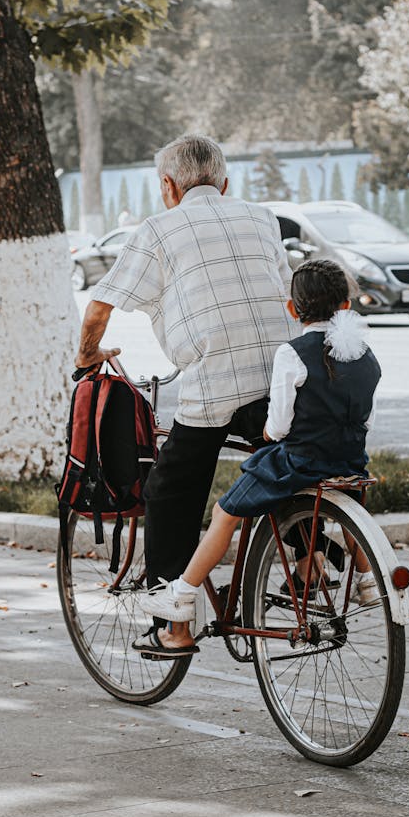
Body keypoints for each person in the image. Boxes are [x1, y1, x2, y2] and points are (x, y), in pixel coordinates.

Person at [74, 134, 299, 651]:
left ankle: (171, 623)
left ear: (168, 187)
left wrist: (87, 355)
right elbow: (288, 295)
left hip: (215, 386)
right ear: (225, 184)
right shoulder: (263, 218)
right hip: (285, 380)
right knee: (282, 462)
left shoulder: (157, 229)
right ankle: (307, 567)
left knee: (169, 491)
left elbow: (100, 307)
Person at [139, 258, 382, 656]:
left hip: (298, 462)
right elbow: (367, 417)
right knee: (350, 499)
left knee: (226, 512)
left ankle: (180, 595)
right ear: (345, 306)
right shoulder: (365, 353)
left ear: (292, 309)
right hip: (349, 461)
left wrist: (268, 434)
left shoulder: (293, 353)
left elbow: (279, 426)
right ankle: (368, 581)